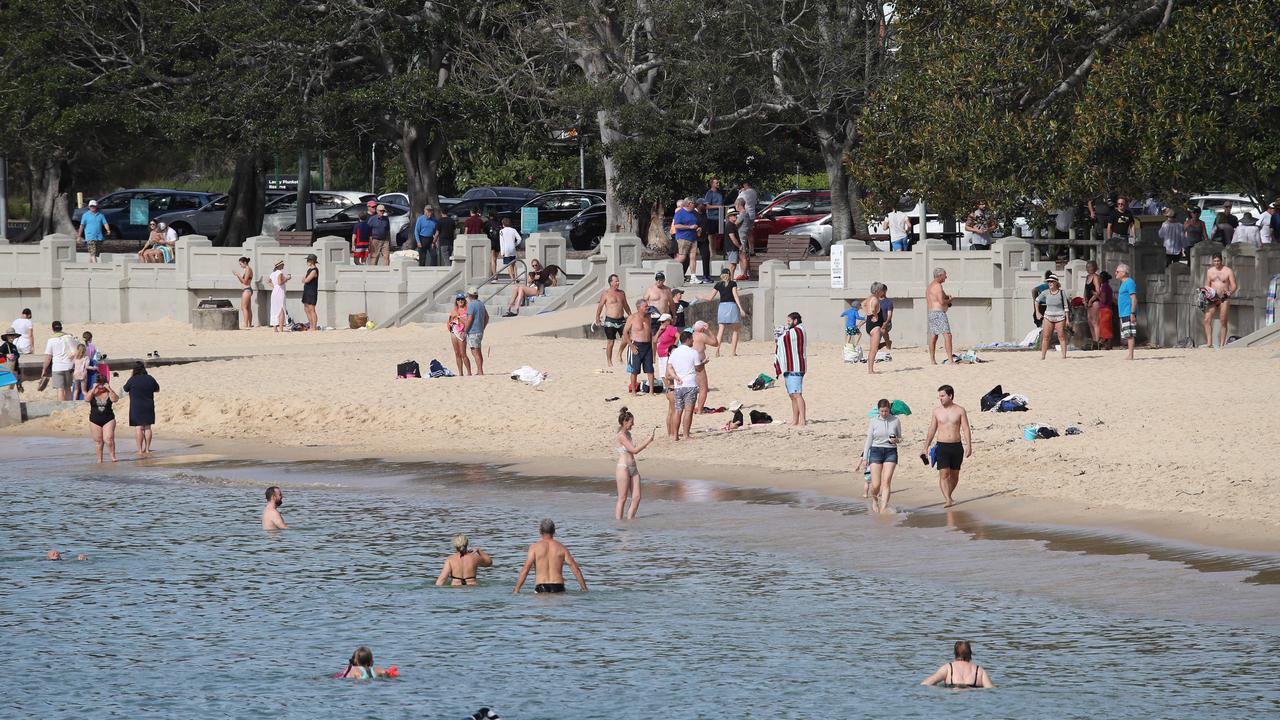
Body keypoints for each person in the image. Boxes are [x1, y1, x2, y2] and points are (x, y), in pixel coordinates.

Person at [921, 384, 972, 507]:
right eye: (939, 396)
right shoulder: (937, 411)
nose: (941, 398)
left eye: (943, 396)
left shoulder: (960, 410)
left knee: (955, 475)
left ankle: (949, 494)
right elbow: (932, 429)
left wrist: (969, 445)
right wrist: (925, 447)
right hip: (942, 446)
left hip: (956, 446)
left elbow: (965, 428)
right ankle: (948, 499)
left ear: (950, 395)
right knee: (944, 473)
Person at [513, 518, 588, 594]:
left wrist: (516, 589)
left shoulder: (534, 548)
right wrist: (584, 589)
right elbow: (576, 570)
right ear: (554, 531)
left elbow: (526, 570)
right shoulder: (562, 548)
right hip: (559, 587)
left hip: (541, 587)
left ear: (540, 531)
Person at [858, 399, 902, 513]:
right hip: (875, 451)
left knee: (886, 481)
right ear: (878, 410)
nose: (884, 414)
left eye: (886, 411)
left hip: (890, 451)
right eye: (882, 411)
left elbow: (901, 438)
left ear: (889, 410)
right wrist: (864, 458)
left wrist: (896, 440)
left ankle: (883, 509)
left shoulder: (895, 420)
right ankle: (874, 500)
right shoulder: (873, 421)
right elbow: (869, 440)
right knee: (876, 484)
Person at [613, 406, 656, 519]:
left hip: (633, 467)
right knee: (622, 498)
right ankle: (619, 525)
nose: (633, 424)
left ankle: (630, 520)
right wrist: (647, 441)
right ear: (625, 422)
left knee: (637, 497)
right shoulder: (621, 435)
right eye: (631, 422)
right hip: (623, 468)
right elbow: (634, 450)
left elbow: (632, 450)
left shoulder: (628, 434)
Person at [665, 330, 701, 441]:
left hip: (678, 386)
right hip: (690, 384)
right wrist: (703, 363)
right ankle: (685, 435)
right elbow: (698, 368)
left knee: (678, 411)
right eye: (692, 339)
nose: (693, 341)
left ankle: (675, 435)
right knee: (688, 411)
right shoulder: (693, 352)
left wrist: (675, 377)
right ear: (688, 339)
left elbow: (669, 368)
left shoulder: (674, 352)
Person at [774, 312, 807, 426]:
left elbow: (786, 339)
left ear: (795, 321)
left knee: (797, 394)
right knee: (792, 395)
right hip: (788, 366)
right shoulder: (792, 330)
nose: (787, 323)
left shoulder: (799, 330)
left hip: (796, 367)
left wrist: (780, 335)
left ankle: (803, 419)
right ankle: (795, 420)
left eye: (789, 321)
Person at [702, 268, 743, 357]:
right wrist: (740, 308)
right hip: (731, 306)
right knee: (735, 330)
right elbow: (735, 296)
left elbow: (710, 298)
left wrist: (701, 297)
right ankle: (733, 352)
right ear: (729, 275)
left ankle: (717, 351)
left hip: (722, 307)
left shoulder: (718, 284)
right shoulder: (733, 283)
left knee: (720, 331)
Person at [922, 641, 995, 689]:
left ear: (955, 654)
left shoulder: (948, 668)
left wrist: (941, 689)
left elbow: (925, 683)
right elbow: (991, 690)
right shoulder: (979, 671)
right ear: (970, 654)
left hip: (954, 693)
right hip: (972, 695)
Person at [123, 361, 160, 456]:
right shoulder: (150, 378)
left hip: (136, 406)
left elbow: (125, 389)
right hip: (148, 405)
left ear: (134, 369)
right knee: (148, 427)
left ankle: (139, 450)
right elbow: (157, 389)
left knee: (139, 428)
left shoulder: (132, 379)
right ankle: (147, 449)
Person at [594, 274, 630, 368]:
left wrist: (631, 315)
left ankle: (619, 353)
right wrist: (597, 318)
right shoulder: (605, 293)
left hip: (621, 319)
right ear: (611, 282)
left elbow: (625, 305)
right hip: (610, 320)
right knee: (611, 341)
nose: (618, 282)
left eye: (618, 281)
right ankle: (609, 362)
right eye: (616, 281)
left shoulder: (622, 293)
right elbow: (600, 306)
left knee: (627, 338)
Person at [1203, 253, 1238, 348]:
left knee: (1223, 320)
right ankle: (1209, 343)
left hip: (1224, 298)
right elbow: (1207, 285)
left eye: (1218, 261)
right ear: (1212, 261)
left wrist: (1230, 292)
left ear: (1221, 261)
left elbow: (1234, 285)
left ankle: (1222, 344)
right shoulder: (1210, 271)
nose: (1216, 263)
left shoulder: (1228, 271)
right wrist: (1205, 293)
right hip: (1213, 298)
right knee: (1207, 319)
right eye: (1215, 261)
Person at [623, 298, 656, 395]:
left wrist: (652, 346)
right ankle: (633, 391)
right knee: (635, 370)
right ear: (639, 307)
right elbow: (625, 332)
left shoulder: (649, 317)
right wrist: (631, 346)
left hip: (647, 346)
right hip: (636, 345)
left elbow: (650, 333)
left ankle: (651, 391)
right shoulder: (632, 317)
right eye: (645, 306)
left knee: (650, 369)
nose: (647, 308)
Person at [40, 320, 79, 401]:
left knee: (60, 389)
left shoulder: (51, 340)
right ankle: (68, 406)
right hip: (69, 366)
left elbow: (48, 357)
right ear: (61, 328)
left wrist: (44, 369)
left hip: (57, 367)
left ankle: (61, 408)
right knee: (68, 388)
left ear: (52, 329)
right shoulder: (68, 337)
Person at [86, 375, 119, 463]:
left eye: (102, 384)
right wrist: (93, 389)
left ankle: (113, 457)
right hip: (94, 420)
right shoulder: (93, 392)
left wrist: (110, 389)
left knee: (109, 439)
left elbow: (115, 400)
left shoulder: (109, 392)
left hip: (108, 419)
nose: (101, 387)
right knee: (98, 441)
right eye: (99, 384)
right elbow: (87, 399)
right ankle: (100, 459)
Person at [1035, 274, 1068, 359]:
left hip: (1060, 317)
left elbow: (1066, 306)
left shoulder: (1061, 292)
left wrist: (1067, 319)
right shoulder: (1045, 292)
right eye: (1048, 282)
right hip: (1048, 317)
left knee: (1061, 336)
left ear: (1056, 283)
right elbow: (1037, 301)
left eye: (1051, 281)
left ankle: (1064, 356)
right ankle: (1043, 356)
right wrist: (1037, 312)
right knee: (1046, 337)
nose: (1050, 283)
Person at [926, 268, 953, 365]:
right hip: (938, 313)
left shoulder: (930, 286)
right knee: (948, 335)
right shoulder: (938, 286)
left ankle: (932, 360)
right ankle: (950, 360)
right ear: (940, 275)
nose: (946, 277)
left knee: (934, 336)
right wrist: (949, 301)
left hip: (931, 312)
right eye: (945, 275)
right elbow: (941, 302)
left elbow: (940, 297)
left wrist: (947, 298)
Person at [691, 320, 718, 413]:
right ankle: (699, 410)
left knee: (691, 387)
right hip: (699, 364)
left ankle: (691, 408)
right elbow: (715, 343)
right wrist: (709, 330)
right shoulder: (701, 336)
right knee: (703, 388)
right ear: (702, 328)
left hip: (689, 363)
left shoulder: (690, 335)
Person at [861, 283, 887, 374]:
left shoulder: (869, 298)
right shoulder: (875, 300)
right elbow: (872, 309)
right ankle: (870, 370)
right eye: (882, 290)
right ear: (878, 291)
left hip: (869, 324)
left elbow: (862, 304)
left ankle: (870, 369)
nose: (883, 292)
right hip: (875, 327)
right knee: (874, 349)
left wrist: (867, 314)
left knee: (873, 348)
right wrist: (875, 315)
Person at [672, 197, 699, 280]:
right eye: (693, 203)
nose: (695, 205)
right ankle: (669, 268)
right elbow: (676, 225)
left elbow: (695, 223)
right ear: (689, 203)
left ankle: (693, 277)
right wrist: (689, 227)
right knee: (682, 257)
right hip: (683, 238)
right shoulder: (680, 213)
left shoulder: (694, 213)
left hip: (693, 238)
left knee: (693, 257)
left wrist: (697, 228)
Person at [464, 286, 489, 375]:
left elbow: (470, 319)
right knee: (479, 351)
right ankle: (480, 370)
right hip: (479, 331)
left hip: (473, 331)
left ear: (470, 295)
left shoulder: (471, 305)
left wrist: (465, 330)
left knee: (475, 352)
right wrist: (483, 327)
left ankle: (480, 371)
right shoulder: (481, 304)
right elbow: (487, 317)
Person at [446, 293, 473, 376]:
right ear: (456, 301)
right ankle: (460, 373)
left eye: (462, 299)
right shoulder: (454, 310)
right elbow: (450, 321)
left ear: (464, 300)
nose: (460, 301)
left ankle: (469, 372)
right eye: (458, 299)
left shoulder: (467, 309)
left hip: (462, 332)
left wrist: (459, 317)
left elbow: (468, 322)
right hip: (454, 331)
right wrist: (450, 323)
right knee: (457, 353)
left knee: (463, 353)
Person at [77, 199, 111, 264]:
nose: (92, 207)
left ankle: (90, 266)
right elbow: (81, 226)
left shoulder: (101, 215)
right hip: (89, 236)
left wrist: (108, 230)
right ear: (89, 207)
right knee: (92, 252)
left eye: (94, 206)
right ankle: (96, 266)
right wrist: (79, 236)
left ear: (96, 206)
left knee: (93, 253)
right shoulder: (85, 215)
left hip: (99, 237)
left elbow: (105, 223)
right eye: (91, 206)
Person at [1115, 263, 1138, 360]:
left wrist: (1132, 313)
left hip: (1128, 312)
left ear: (1123, 273)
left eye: (1117, 271)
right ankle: (1129, 354)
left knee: (1130, 334)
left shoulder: (1129, 282)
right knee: (1127, 334)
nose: (1115, 273)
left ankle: (1131, 355)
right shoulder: (1124, 283)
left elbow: (1134, 298)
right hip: (1123, 312)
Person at [693, 201, 715, 283]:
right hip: (694, 239)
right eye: (704, 204)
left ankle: (706, 276)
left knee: (706, 256)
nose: (705, 206)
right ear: (698, 205)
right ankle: (684, 274)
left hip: (703, 239)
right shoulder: (693, 213)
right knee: (689, 258)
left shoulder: (704, 213)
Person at [1095, 270, 1116, 350]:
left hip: (1105, 309)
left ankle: (1108, 345)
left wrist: (1097, 296)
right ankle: (1108, 344)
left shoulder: (1104, 287)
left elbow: (1103, 300)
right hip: (1108, 309)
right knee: (1108, 327)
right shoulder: (1108, 286)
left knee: (1105, 328)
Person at [1083, 261, 1102, 345]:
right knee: (1090, 322)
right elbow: (1085, 290)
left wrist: (1091, 301)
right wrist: (1084, 300)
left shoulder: (1096, 277)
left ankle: (1097, 341)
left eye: (1090, 267)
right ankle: (1094, 340)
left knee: (1095, 322)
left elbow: (1098, 291)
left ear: (1094, 267)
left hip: (1095, 301)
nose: (1089, 268)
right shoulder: (1087, 277)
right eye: (1087, 267)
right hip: (1088, 301)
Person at [268, 260, 289, 332]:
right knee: (281, 308)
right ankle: (281, 328)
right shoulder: (280, 272)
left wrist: (274, 286)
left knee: (274, 309)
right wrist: (286, 279)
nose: (283, 265)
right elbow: (280, 282)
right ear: (279, 266)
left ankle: (275, 328)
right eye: (282, 264)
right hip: (280, 291)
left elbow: (268, 281)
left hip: (275, 291)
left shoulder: (273, 273)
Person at [234, 257, 254, 329]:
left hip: (247, 289)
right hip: (247, 289)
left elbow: (245, 282)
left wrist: (239, 275)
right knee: (248, 308)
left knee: (244, 308)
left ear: (245, 262)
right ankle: (249, 324)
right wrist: (238, 276)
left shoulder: (248, 269)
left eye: (241, 264)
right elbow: (243, 281)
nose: (240, 266)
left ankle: (246, 324)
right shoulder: (247, 269)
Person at [1, 326, 23, 393]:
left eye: (13, 336)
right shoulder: (4, 346)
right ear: (7, 337)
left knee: (12, 389)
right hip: (7, 370)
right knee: (9, 389)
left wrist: (18, 372)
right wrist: (6, 355)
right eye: (10, 336)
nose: (11, 337)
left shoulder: (14, 347)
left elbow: (16, 360)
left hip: (15, 370)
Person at [301, 254, 319, 331]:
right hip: (307, 290)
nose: (307, 262)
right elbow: (303, 279)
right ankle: (311, 325)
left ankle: (313, 327)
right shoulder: (309, 270)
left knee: (312, 309)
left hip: (312, 291)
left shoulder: (314, 270)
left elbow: (306, 280)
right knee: (306, 308)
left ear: (312, 261)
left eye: (308, 260)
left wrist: (305, 279)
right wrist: (304, 279)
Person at [484, 211, 502, 276]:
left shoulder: (487, 223)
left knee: (492, 259)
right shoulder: (498, 223)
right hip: (498, 242)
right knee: (495, 259)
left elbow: (484, 232)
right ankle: (494, 271)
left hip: (491, 242)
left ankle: (494, 274)